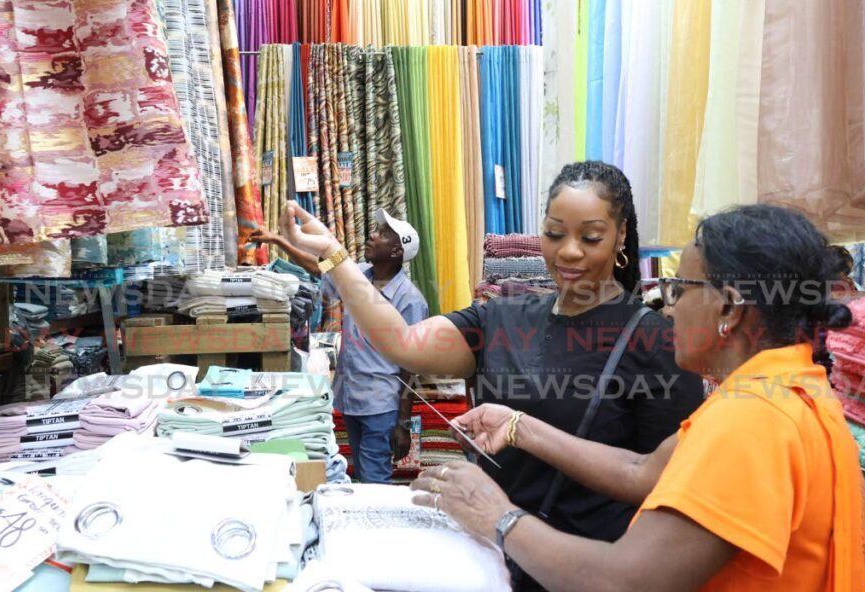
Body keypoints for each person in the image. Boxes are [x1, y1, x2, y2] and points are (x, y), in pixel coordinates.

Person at [279, 161, 705, 589]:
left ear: (621, 236)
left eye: (590, 237)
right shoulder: (502, 318)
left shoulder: (656, 342)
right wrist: (335, 256)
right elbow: (402, 341)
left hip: (580, 571)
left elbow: (662, 487)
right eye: (555, 234)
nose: (569, 251)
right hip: (486, 564)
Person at [410, 204, 865, 591]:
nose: (667, 306)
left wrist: (497, 515)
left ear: (729, 308)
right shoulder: (792, 384)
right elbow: (644, 471)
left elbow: (625, 582)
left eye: (677, 289)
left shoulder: (753, 419)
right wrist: (518, 426)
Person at [252, 210, 428, 484]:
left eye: (382, 234)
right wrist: (279, 240)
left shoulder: (410, 300)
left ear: (396, 251)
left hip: (380, 404)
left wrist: (403, 423)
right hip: (351, 398)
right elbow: (318, 266)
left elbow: (412, 366)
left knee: (374, 481)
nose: (372, 236)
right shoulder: (357, 274)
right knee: (361, 474)